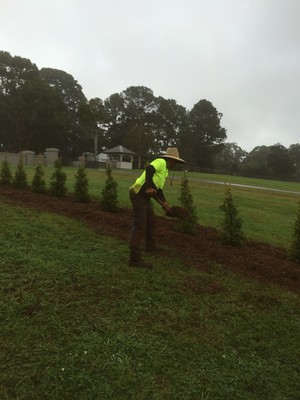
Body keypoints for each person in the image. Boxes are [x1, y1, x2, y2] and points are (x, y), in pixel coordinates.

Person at [128, 147, 186, 268]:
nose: (175, 164)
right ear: (170, 160)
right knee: (140, 225)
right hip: (138, 194)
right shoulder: (161, 162)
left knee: (151, 221)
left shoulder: (165, 171)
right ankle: (134, 258)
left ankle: (150, 247)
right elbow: (149, 169)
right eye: (175, 162)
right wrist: (149, 186)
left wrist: (165, 204)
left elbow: (157, 190)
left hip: (144, 197)